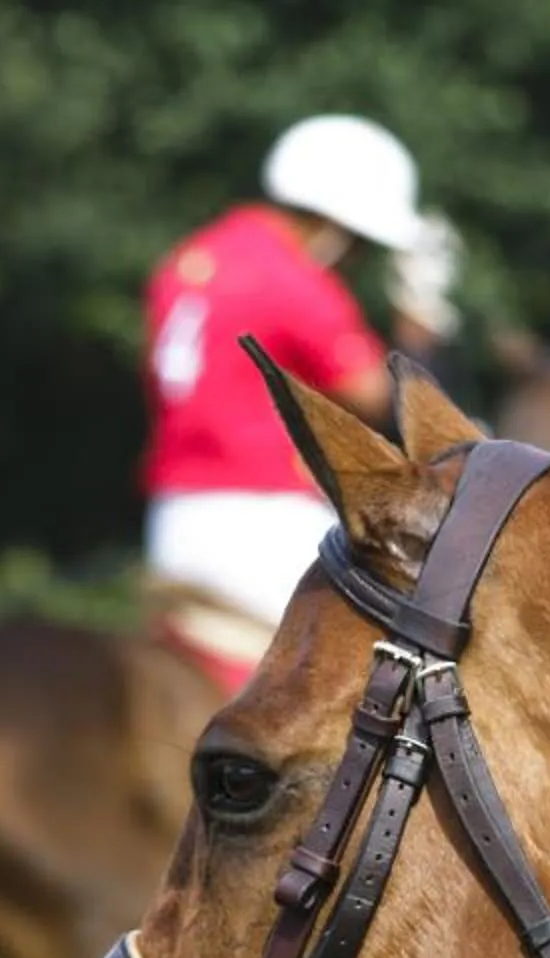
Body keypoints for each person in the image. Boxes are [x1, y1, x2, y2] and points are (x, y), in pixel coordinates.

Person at [140, 114, 459, 664]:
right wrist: (418, 323)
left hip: (174, 514)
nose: (355, 259)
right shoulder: (292, 279)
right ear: (334, 224)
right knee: (421, 654)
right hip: (266, 520)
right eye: (359, 243)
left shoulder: (188, 260)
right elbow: (381, 399)